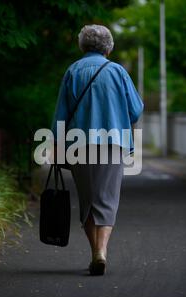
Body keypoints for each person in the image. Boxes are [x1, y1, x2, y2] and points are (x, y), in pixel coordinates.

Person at [51, 24, 143, 275]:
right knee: (108, 199)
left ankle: (95, 253)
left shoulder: (73, 70)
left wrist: (56, 145)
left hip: (79, 144)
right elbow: (135, 110)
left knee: (88, 201)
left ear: (82, 45)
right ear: (109, 46)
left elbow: (61, 114)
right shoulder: (118, 72)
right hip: (113, 142)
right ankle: (102, 252)